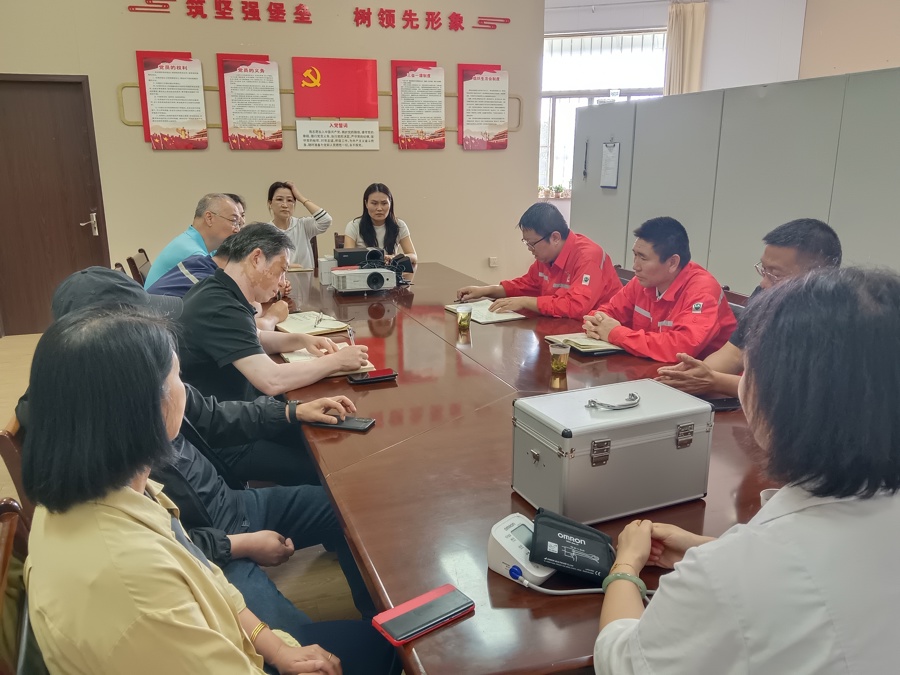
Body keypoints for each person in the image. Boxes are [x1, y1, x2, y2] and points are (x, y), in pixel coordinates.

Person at [23, 308, 399, 674]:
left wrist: (277, 647)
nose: (185, 391)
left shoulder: (114, 488)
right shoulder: (137, 587)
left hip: (229, 603)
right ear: (145, 408)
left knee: (348, 517)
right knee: (388, 649)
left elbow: (204, 573)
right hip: (228, 625)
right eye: (177, 377)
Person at [593, 267, 900, 674]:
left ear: (776, 398)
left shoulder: (731, 578)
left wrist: (625, 568)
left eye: (748, 371)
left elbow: (622, 662)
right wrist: (710, 548)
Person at [178, 222, 369, 402]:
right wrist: (337, 362)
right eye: (281, 270)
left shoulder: (214, 288)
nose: (282, 281)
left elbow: (256, 336)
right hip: (223, 416)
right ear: (257, 258)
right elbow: (271, 380)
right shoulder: (221, 307)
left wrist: (302, 340)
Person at [656, 218, 842, 397]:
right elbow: (734, 354)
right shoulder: (764, 296)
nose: (763, 283)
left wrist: (716, 381)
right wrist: (692, 375)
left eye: (775, 274)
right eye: (764, 270)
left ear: (818, 277)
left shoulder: (838, 320)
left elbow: (792, 392)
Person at [583, 217, 736, 362]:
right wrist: (595, 323)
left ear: (672, 263)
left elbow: (681, 348)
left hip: (702, 378)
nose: (635, 266)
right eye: (635, 255)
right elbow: (608, 311)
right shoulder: (642, 282)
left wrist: (616, 333)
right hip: (652, 368)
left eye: (643, 258)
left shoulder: (702, 291)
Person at [456, 202, 621, 318]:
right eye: (526, 243)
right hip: (564, 329)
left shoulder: (588, 257)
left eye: (532, 243)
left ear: (555, 237)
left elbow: (575, 306)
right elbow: (526, 285)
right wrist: (485, 290)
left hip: (598, 338)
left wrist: (525, 302)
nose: (529, 248)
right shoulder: (547, 256)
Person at [147, 232, 290, 331]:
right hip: (156, 346)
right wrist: (272, 317)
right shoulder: (209, 285)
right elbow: (244, 328)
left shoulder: (198, 261)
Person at [144, 193, 242, 288]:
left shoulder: (193, 242)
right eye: (233, 221)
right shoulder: (193, 254)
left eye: (239, 224)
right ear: (209, 218)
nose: (237, 230)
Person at [344, 183, 418, 264]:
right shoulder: (354, 226)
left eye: (384, 203)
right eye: (374, 203)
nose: (379, 208)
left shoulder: (399, 225)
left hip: (390, 270)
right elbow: (347, 258)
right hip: (363, 270)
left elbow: (413, 256)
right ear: (366, 204)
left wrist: (394, 257)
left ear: (390, 203)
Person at [267, 181, 332, 270]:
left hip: (305, 278)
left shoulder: (302, 225)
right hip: (278, 279)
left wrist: (300, 198)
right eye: (279, 199)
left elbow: (326, 220)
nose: (285, 205)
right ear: (270, 203)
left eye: (290, 200)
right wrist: (285, 266)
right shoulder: (265, 232)